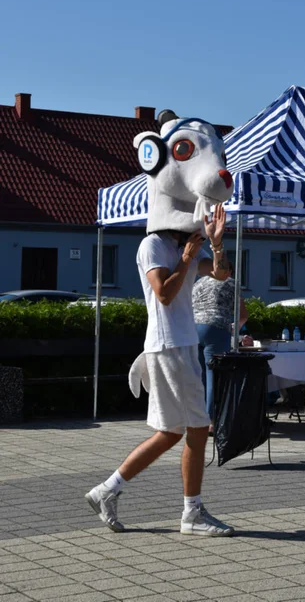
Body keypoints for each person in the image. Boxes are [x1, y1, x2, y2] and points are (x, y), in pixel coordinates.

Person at [85, 204, 235, 536]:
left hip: (178, 345)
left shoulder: (189, 246)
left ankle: (106, 490)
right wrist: (185, 259)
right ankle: (192, 513)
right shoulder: (153, 245)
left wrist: (217, 243)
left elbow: (223, 273)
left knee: (171, 432)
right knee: (197, 427)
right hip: (170, 345)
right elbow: (164, 293)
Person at [193, 260, 250, 427]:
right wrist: (234, 329)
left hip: (193, 328)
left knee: (199, 377)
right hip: (216, 329)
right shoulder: (231, 283)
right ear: (228, 271)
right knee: (215, 376)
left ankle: (197, 419)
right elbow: (242, 315)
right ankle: (211, 421)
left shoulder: (199, 283)